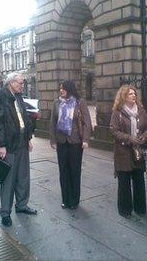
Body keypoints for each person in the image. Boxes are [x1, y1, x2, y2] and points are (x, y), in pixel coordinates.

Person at [0, 73, 37, 227]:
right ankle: (5, 212)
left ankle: (22, 205)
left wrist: (28, 138)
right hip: (9, 145)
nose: (22, 86)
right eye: (20, 83)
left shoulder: (18, 96)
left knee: (23, 176)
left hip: (22, 142)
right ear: (11, 82)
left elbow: (25, 119)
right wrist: (1, 145)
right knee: (9, 179)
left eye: (23, 83)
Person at [110, 85, 147, 219]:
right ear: (123, 97)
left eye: (134, 94)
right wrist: (129, 138)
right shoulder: (117, 112)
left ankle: (140, 208)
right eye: (130, 94)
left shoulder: (141, 111)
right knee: (124, 181)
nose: (134, 96)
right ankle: (125, 210)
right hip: (123, 152)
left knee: (139, 180)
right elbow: (114, 130)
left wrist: (145, 136)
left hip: (138, 152)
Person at [50, 80, 92, 210]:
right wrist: (53, 140)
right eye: (60, 88)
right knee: (63, 171)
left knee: (74, 170)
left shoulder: (80, 102)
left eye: (63, 88)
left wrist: (85, 139)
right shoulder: (56, 103)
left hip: (75, 142)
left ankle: (74, 200)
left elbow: (87, 122)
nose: (60, 91)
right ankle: (65, 199)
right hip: (61, 141)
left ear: (69, 89)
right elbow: (52, 122)